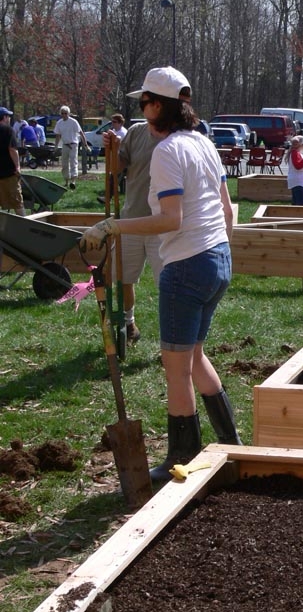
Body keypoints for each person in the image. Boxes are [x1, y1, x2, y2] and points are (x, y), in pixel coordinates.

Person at [80, 66, 242, 483]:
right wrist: (219, 251)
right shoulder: (205, 143)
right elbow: (227, 211)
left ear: (156, 107)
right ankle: (230, 442)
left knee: (175, 367)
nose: (141, 111)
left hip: (186, 267)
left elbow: (170, 219)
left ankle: (182, 453)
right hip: (217, 259)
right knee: (194, 356)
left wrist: (112, 226)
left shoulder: (169, 152)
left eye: (143, 103)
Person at [101, 119, 161, 343]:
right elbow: (116, 167)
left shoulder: (179, 134)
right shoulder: (136, 132)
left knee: (169, 283)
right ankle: (129, 323)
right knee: (124, 277)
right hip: (132, 219)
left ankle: (175, 339)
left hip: (164, 223)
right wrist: (112, 149)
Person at [53, 105, 87, 189]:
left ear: (68, 113)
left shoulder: (73, 122)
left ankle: (73, 181)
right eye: (62, 113)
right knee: (64, 164)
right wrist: (56, 146)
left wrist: (85, 144)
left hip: (73, 144)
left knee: (73, 162)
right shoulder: (59, 123)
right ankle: (66, 181)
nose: (64, 115)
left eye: (65, 113)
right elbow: (58, 135)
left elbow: (81, 133)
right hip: (65, 145)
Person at [0, 106, 25, 216]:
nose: (10, 118)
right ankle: (24, 226)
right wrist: (17, 167)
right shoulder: (8, 130)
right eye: (9, 116)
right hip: (9, 172)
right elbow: (12, 150)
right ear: (4, 117)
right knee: (17, 201)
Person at [286, 133, 303, 204]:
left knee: (297, 203)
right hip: (299, 182)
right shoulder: (295, 153)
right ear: (301, 145)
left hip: (299, 181)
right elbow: (297, 166)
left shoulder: (296, 153)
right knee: (300, 203)